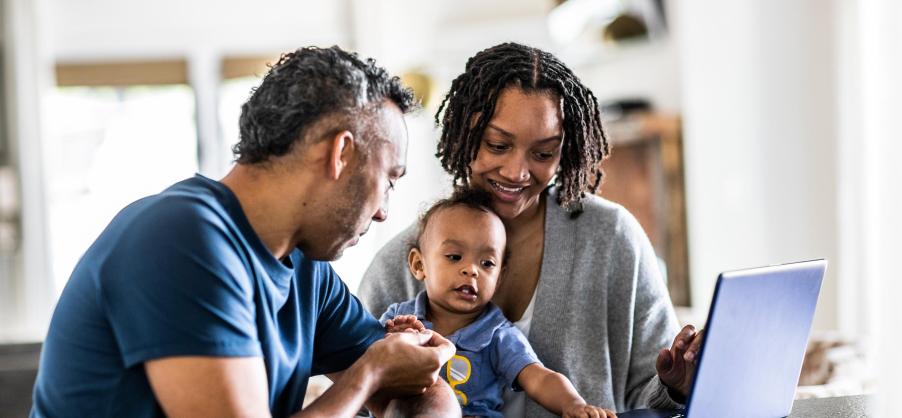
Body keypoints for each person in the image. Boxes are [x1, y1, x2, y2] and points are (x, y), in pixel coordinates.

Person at [31, 46, 460, 418]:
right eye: (388, 179)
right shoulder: (179, 239)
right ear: (340, 154)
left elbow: (415, 383)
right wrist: (369, 375)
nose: (385, 211)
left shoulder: (306, 267)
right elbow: (378, 370)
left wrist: (402, 375)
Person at [358, 42, 703, 417]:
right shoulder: (397, 265)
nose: (517, 172)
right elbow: (358, 400)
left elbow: (650, 401)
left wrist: (677, 387)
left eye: (543, 154)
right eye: (497, 144)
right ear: (462, 134)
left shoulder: (611, 237)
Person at [380, 188, 617, 418]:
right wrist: (388, 345)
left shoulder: (497, 334)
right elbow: (361, 366)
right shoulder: (399, 318)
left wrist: (573, 405)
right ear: (419, 265)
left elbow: (539, 377)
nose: (471, 270)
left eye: (487, 263)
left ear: (499, 278)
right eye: (454, 257)